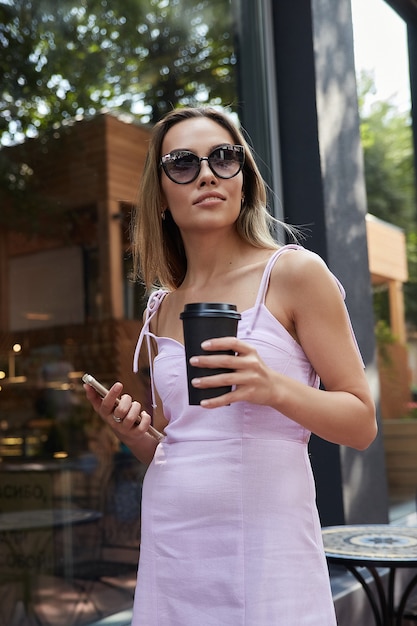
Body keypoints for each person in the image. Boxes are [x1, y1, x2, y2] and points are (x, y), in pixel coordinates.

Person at [84, 106, 377, 625]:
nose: (205, 174)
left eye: (224, 158)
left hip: (270, 549)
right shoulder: (161, 305)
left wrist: (273, 388)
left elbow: (361, 423)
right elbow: (179, 445)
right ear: (162, 197)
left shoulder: (293, 273)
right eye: (182, 163)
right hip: (174, 549)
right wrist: (133, 434)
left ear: (244, 181)